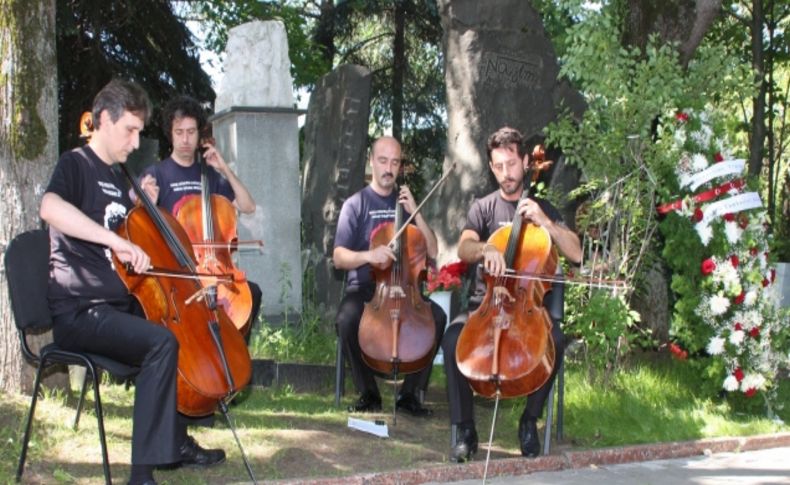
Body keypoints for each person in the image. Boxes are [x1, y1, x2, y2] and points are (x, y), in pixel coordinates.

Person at [40, 80, 226, 485]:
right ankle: (141, 476)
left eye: (140, 131)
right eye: (130, 129)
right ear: (102, 120)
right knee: (161, 343)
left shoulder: (117, 179)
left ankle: (176, 442)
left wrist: (145, 210)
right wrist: (113, 241)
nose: (136, 140)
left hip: (116, 305)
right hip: (81, 311)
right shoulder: (76, 164)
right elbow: (50, 207)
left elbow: (141, 240)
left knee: (171, 332)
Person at [441, 127, 582, 462]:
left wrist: (545, 222)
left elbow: (575, 253)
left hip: (528, 310)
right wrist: (486, 248)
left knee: (556, 343)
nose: (506, 173)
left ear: (523, 162)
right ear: (491, 167)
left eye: (512, 164)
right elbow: (464, 247)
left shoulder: (543, 207)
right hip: (483, 307)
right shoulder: (483, 208)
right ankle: (465, 430)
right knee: (451, 341)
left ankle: (529, 422)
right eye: (499, 166)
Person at [333, 136, 446, 416]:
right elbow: (338, 257)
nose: (388, 168)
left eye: (395, 162)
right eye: (383, 160)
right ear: (372, 162)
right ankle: (369, 393)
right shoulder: (355, 204)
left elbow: (432, 250)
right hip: (367, 288)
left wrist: (416, 213)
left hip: (406, 286)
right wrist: (369, 256)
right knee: (346, 319)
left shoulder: (407, 204)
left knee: (439, 318)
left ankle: (409, 395)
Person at [138, 95, 262, 336]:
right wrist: (145, 202)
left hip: (213, 270)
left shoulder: (211, 177)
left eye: (191, 132)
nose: (185, 139)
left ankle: (233, 362)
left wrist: (224, 167)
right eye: (179, 132)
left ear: (198, 134)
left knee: (252, 293)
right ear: (170, 133)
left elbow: (248, 206)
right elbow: (139, 221)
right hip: (178, 271)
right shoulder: (157, 174)